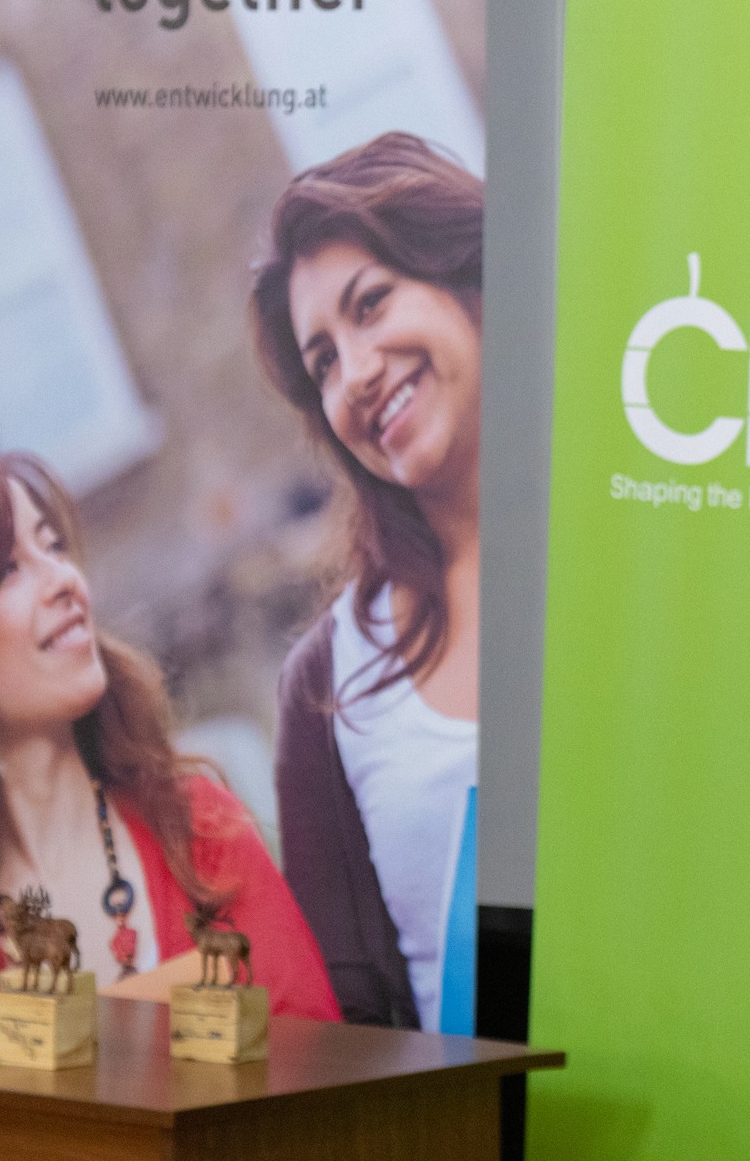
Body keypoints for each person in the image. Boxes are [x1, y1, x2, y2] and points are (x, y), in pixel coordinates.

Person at [0, 447, 339, 1019]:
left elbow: (312, 1053)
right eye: (8, 570)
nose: (65, 579)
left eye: (55, 546)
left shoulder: (199, 829)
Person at [250, 132, 482, 1030]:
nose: (356, 375)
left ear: (465, 271)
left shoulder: (641, 531)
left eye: (372, 303)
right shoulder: (327, 689)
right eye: (323, 362)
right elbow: (350, 1029)